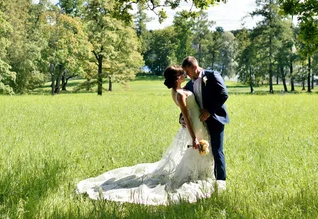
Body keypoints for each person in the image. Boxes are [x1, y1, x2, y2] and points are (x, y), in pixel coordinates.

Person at [76, 65, 223, 205]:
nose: (185, 75)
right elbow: (187, 116)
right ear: (177, 78)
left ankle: (203, 174)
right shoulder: (179, 93)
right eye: (182, 73)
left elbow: (191, 105)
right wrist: (192, 137)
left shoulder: (184, 88)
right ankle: (193, 176)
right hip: (193, 127)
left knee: (202, 155)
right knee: (193, 153)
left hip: (199, 124)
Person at [181, 56, 229, 182]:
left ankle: (221, 182)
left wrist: (209, 111)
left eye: (187, 71)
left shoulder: (212, 75)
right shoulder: (189, 84)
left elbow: (223, 94)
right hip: (199, 123)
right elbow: (185, 104)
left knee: (217, 151)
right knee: (201, 151)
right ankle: (204, 177)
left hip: (216, 119)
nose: (186, 75)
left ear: (194, 67)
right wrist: (181, 117)